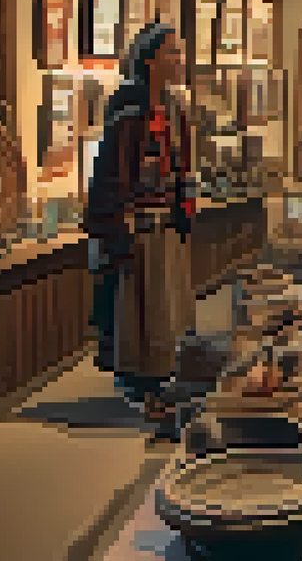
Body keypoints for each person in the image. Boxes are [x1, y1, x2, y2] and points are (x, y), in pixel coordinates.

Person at [84, 20, 196, 412]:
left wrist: (185, 207)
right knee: (140, 310)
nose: (180, 60)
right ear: (150, 60)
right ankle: (142, 385)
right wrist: (119, 223)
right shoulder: (129, 110)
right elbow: (113, 171)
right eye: (172, 52)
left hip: (166, 223)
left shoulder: (174, 108)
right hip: (139, 226)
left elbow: (184, 166)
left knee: (166, 307)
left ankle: (165, 377)